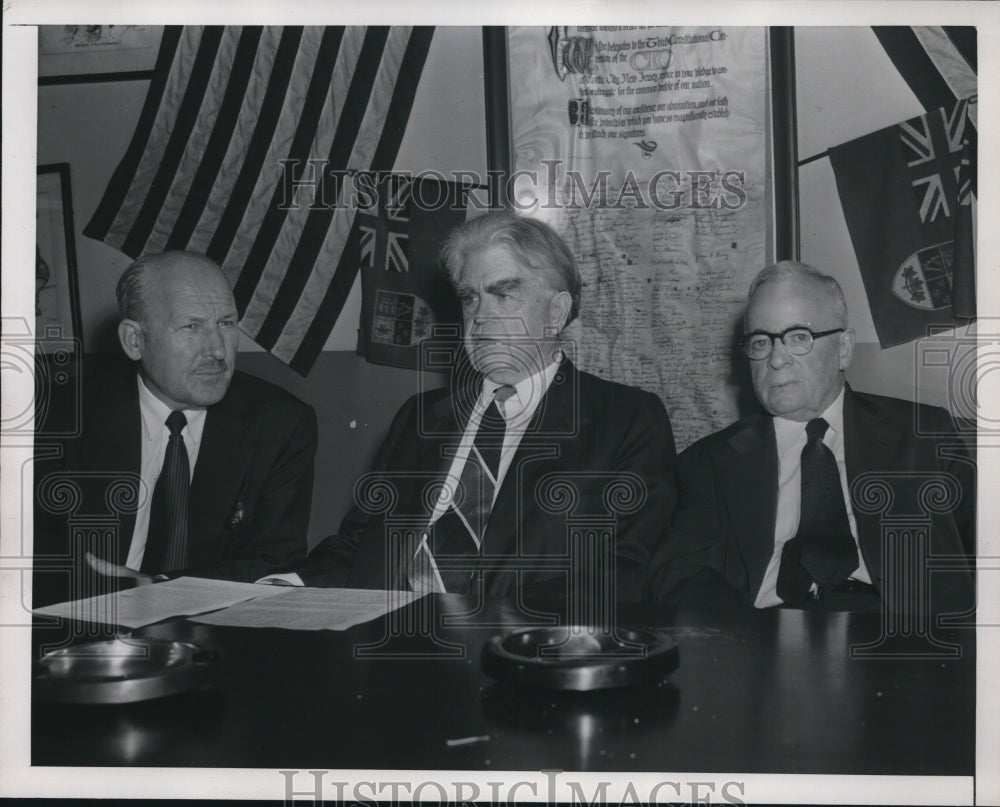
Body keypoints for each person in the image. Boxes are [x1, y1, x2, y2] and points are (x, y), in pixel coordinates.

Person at [288, 212, 676, 602]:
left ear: (556, 313)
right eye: (470, 297)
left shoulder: (624, 421)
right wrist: (283, 589)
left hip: (515, 652)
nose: (480, 317)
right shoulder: (420, 416)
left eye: (504, 293)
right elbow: (358, 545)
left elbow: (621, 575)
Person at [647, 261, 974, 613]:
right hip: (766, 639)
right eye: (760, 341)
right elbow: (678, 575)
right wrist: (749, 637)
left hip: (899, 641)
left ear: (844, 349)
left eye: (798, 337)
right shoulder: (708, 462)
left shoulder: (922, 436)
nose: (776, 359)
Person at [33, 251, 318, 605]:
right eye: (191, 327)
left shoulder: (280, 423)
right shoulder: (57, 416)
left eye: (227, 323)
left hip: (211, 629)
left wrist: (161, 587)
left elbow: (274, 562)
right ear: (134, 341)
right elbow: (27, 551)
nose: (217, 349)